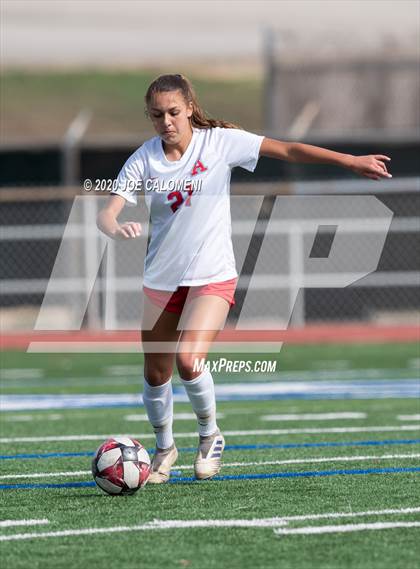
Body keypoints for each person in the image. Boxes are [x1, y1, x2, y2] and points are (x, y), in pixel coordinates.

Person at [97, 73, 392, 484]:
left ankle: (209, 435)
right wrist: (113, 225)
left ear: (190, 108)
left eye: (174, 112)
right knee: (155, 373)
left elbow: (287, 149)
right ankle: (164, 449)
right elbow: (108, 211)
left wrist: (348, 161)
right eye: (157, 115)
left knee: (188, 360)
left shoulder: (219, 142)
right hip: (161, 280)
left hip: (213, 276)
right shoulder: (144, 158)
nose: (166, 121)